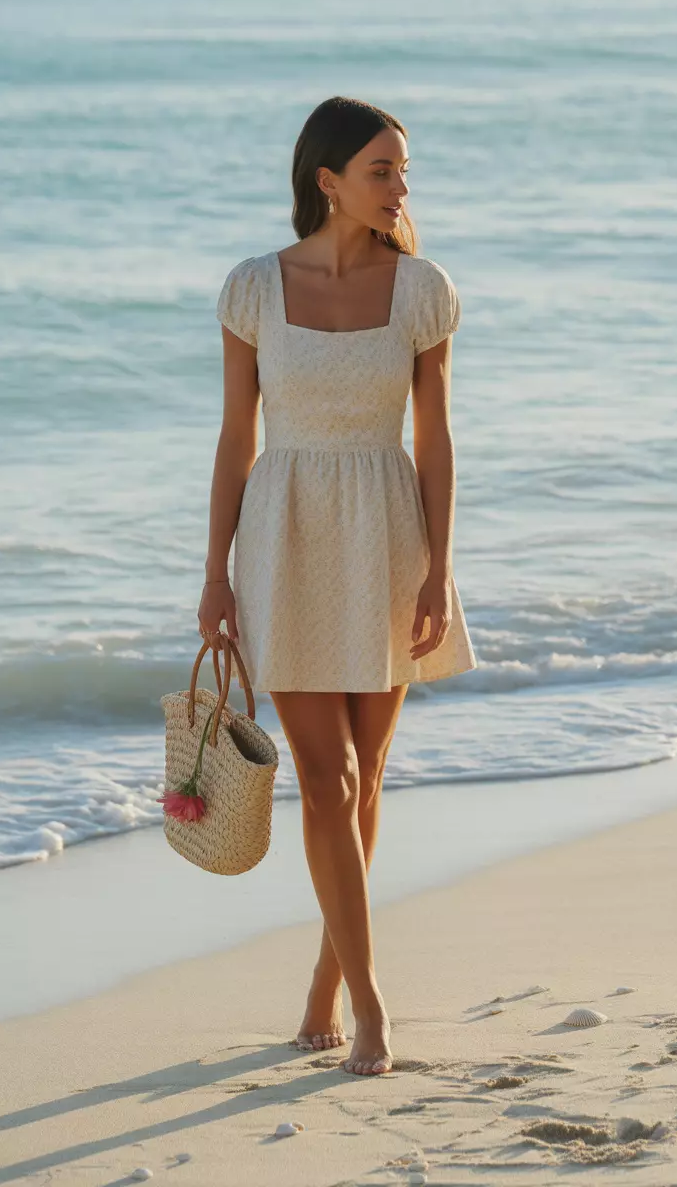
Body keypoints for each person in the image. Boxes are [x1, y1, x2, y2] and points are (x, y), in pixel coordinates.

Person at [197, 95, 477, 1077]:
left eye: (404, 170)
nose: (400, 188)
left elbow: (435, 443)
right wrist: (214, 576)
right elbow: (238, 439)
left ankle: (323, 981)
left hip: (388, 532)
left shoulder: (422, 291)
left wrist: (441, 566)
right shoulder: (252, 290)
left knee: (367, 778)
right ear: (326, 180)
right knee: (328, 778)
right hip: (286, 537)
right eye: (381, 170)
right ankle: (369, 1005)